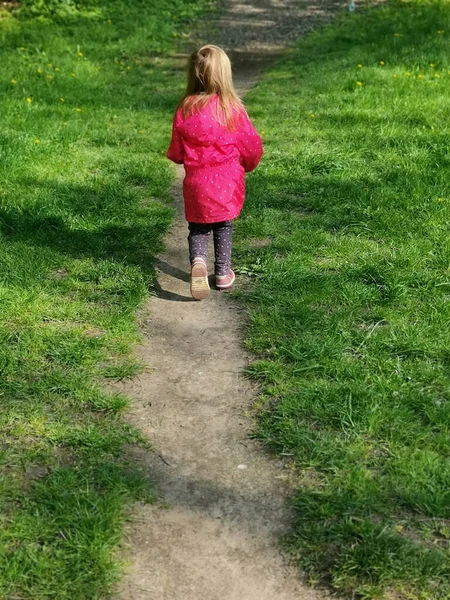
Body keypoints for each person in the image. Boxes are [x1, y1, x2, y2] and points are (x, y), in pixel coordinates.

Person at [166, 44, 263, 300]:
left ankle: (198, 261)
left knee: (197, 228)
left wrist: (182, 157)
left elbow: (176, 151)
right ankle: (222, 273)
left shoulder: (185, 107)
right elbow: (251, 145)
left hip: (196, 184)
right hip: (227, 182)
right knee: (223, 225)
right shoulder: (231, 107)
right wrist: (249, 164)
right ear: (224, 74)